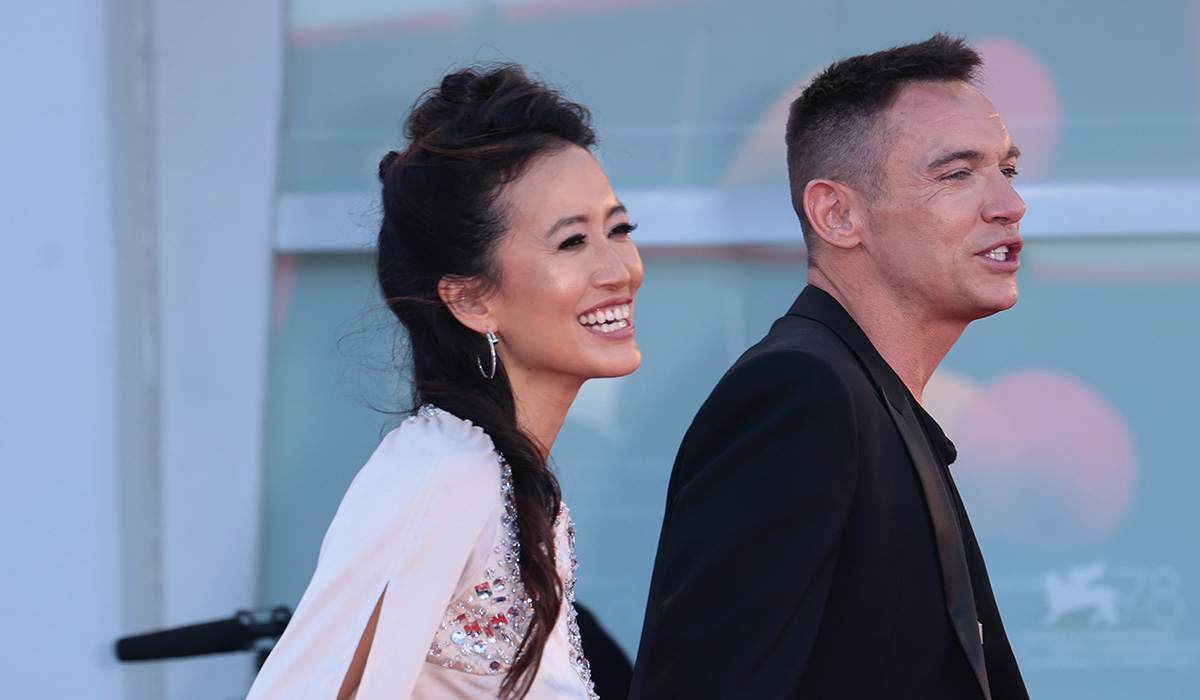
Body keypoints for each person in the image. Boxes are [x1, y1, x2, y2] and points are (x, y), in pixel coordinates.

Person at [629, 34, 1029, 699]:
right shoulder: (801, 395)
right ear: (837, 213)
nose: (1009, 205)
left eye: (1007, 170)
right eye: (958, 173)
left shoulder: (870, 398)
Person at [247, 64, 643, 700]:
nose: (617, 268)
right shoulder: (447, 468)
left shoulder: (511, 481)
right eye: (572, 242)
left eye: (618, 229)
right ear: (471, 299)